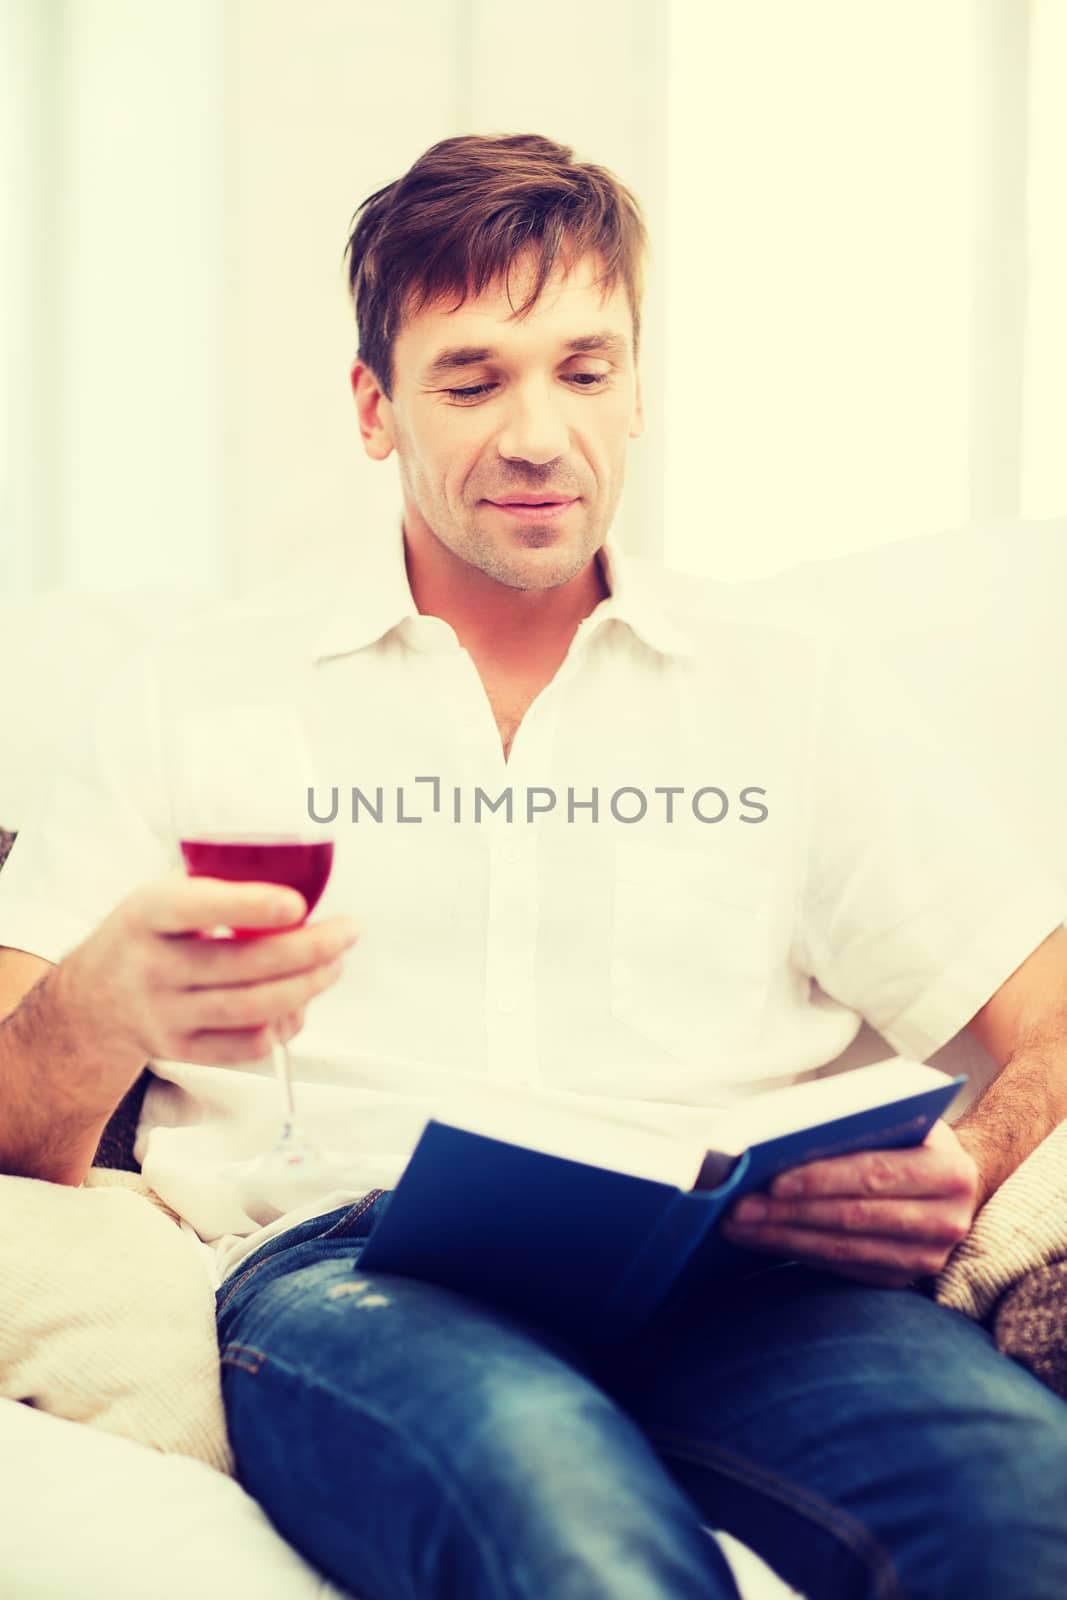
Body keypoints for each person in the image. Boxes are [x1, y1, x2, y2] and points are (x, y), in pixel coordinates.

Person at [1, 131, 1066, 1600]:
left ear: (637, 390)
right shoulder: (193, 692)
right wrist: (105, 1008)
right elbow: (9, 1106)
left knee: (1031, 1515)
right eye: (471, 377)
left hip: (747, 1274)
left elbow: (1053, 1006)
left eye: (584, 369)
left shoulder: (795, 687)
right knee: (574, 1547)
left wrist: (965, 1162)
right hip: (362, 1273)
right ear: (374, 408)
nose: (537, 434)